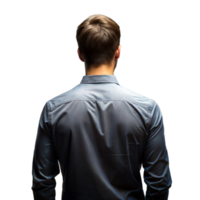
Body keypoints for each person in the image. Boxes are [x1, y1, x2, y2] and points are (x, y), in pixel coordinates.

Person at [30, 12, 172, 200]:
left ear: (79, 53)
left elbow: (42, 183)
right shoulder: (148, 109)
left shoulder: (52, 108)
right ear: (118, 51)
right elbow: (159, 184)